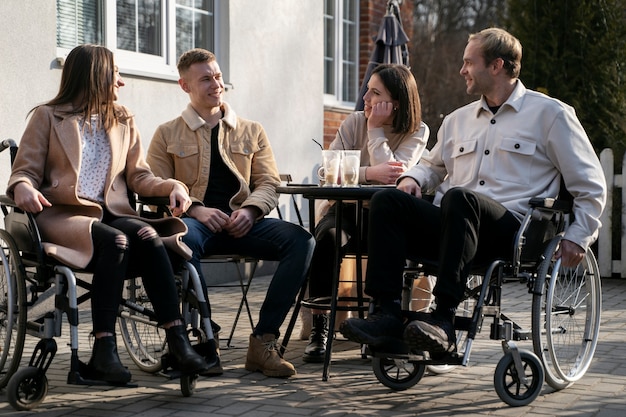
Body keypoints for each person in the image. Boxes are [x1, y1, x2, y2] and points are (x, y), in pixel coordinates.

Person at [339, 27, 607, 355]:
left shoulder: (551, 115)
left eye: (468, 62)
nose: (462, 70)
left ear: (496, 66)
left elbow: (590, 183)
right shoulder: (457, 120)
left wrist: (578, 235)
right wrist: (412, 179)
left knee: (459, 198)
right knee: (388, 200)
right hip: (455, 226)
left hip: (511, 232)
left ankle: (444, 321)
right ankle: (387, 315)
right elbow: (432, 167)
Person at [6, 44, 210, 384]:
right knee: (116, 240)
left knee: (148, 234)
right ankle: (104, 351)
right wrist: (23, 187)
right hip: (62, 215)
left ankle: (177, 341)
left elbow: (138, 176)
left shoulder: (122, 118)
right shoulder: (47, 117)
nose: (121, 82)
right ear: (95, 75)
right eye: (116, 74)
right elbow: (23, 171)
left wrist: (172, 185)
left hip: (110, 212)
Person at [146, 48, 315, 378]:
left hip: (245, 225)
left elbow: (268, 182)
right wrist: (196, 209)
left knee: (303, 241)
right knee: (180, 243)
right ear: (185, 86)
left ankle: (263, 343)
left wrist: (251, 211)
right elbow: (155, 185)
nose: (216, 84)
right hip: (195, 226)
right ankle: (204, 339)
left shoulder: (252, 130)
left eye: (218, 76)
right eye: (206, 79)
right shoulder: (167, 133)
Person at [303, 63, 429, 363]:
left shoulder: (417, 131)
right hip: (345, 211)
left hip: (387, 219)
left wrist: (375, 131)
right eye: (367, 91)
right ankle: (320, 329)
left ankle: (379, 323)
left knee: (392, 249)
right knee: (326, 240)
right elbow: (326, 173)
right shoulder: (353, 122)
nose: (365, 100)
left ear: (395, 101)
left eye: (375, 93)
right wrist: (370, 171)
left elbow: (395, 177)